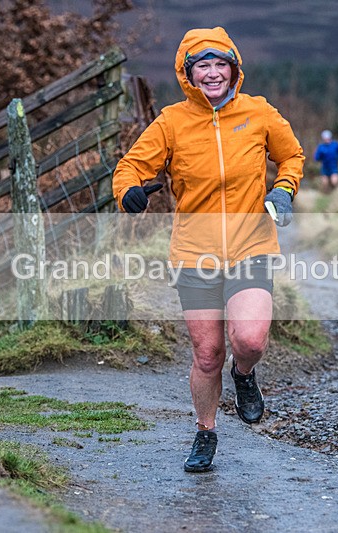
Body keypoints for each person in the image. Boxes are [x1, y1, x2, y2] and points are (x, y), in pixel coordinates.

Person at [112, 27, 304, 472]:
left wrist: (284, 190)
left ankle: (244, 375)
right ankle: (205, 432)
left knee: (249, 340)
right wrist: (129, 194)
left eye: (221, 64)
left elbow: (292, 155)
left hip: (251, 244)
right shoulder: (172, 122)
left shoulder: (258, 112)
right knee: (206, 354)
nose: (214, 73)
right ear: (188, 73)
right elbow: (130, 168)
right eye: (203, 65)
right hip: (195, 254)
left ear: (234, 68)